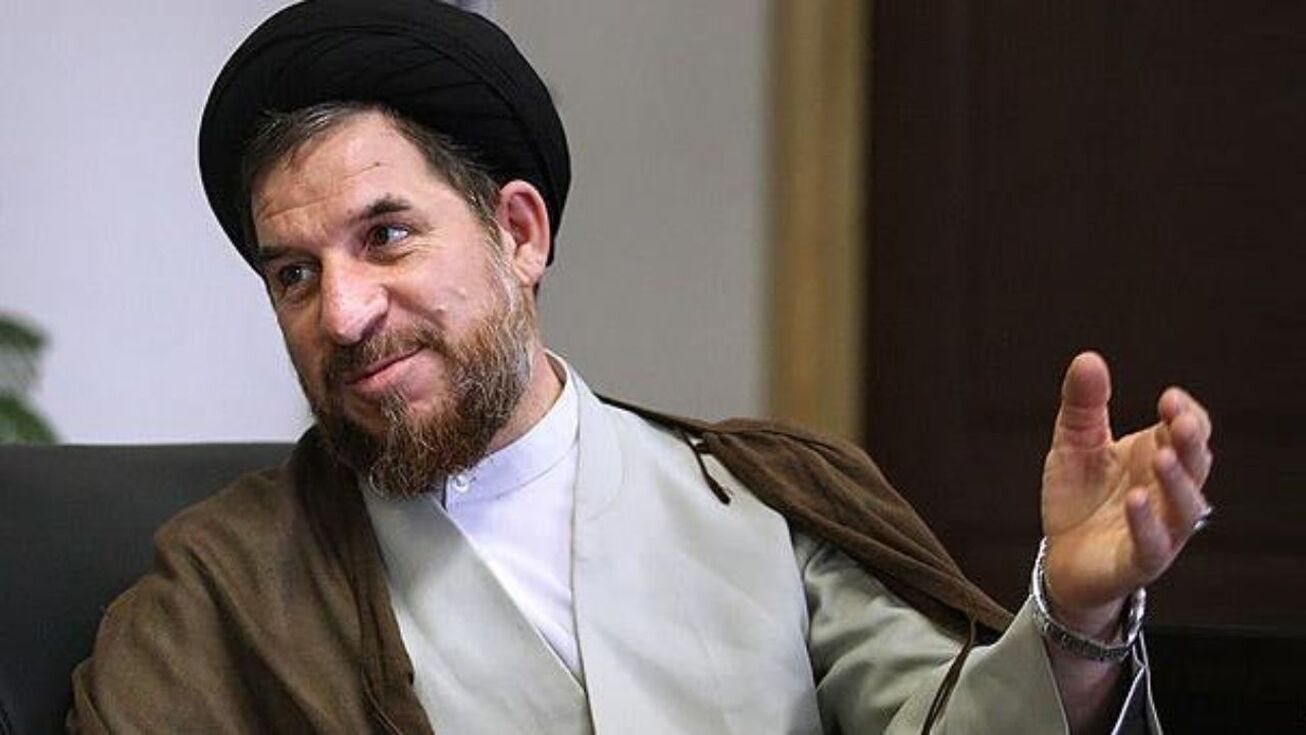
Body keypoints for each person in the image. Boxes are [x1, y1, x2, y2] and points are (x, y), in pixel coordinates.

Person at [69, 2, 1214, 733]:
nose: (344, 310)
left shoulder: (759, 501)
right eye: (294, 274)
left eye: (387, 236)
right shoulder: (225, 590)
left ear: (519, 234)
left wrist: (1076, 614)